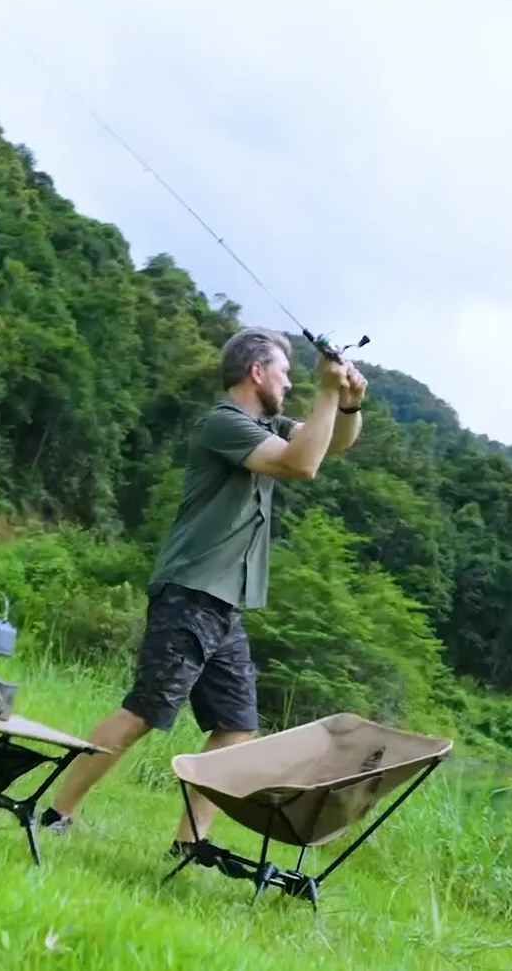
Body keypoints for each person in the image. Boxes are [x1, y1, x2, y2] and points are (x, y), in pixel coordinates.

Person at [37, 326, 367, 851]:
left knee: (236, 728)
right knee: (144, 711)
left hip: (225, 605)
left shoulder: (270, 424)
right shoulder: (223, 423)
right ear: (257, 373)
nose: (288, 384)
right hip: (189, 592)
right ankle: (54, 813)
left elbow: (330, 448)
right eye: (284, 373)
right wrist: (327, 391)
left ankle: (190, 843)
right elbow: (301, 464)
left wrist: (346, 405)